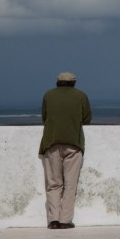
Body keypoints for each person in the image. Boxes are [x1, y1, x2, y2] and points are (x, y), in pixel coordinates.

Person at [39, 71, 92, 229]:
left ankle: (53, 220)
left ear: (57, 82)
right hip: (73, 143)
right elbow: (87, 119)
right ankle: (65, 220)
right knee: (70, 184)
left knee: (53, 183)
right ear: (73, 83)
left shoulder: (48, 95)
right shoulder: (81, 96)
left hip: (51, 142)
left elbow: (44, 117)